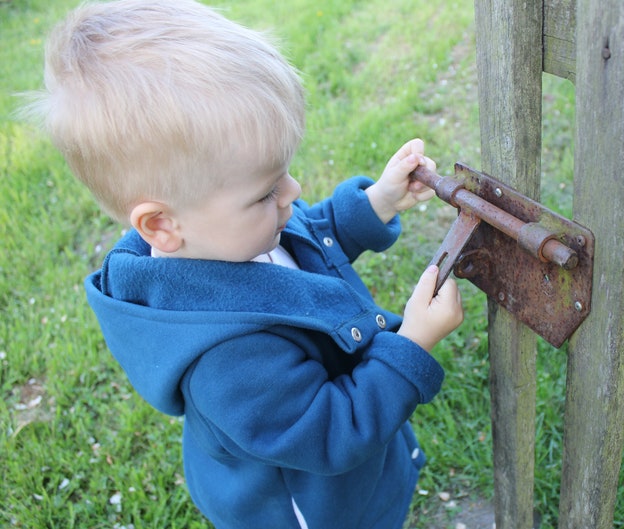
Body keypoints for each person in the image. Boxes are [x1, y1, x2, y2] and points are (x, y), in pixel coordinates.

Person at [25, 0, 464, 527]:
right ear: (161, 225)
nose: (293, 193)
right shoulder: (228, 359)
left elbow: (306, 242)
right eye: (265, 193)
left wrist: (375, 205)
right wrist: (411, 345)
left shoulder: (222, 233)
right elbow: (332, 432)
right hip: (319, 506)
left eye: (285, 174)